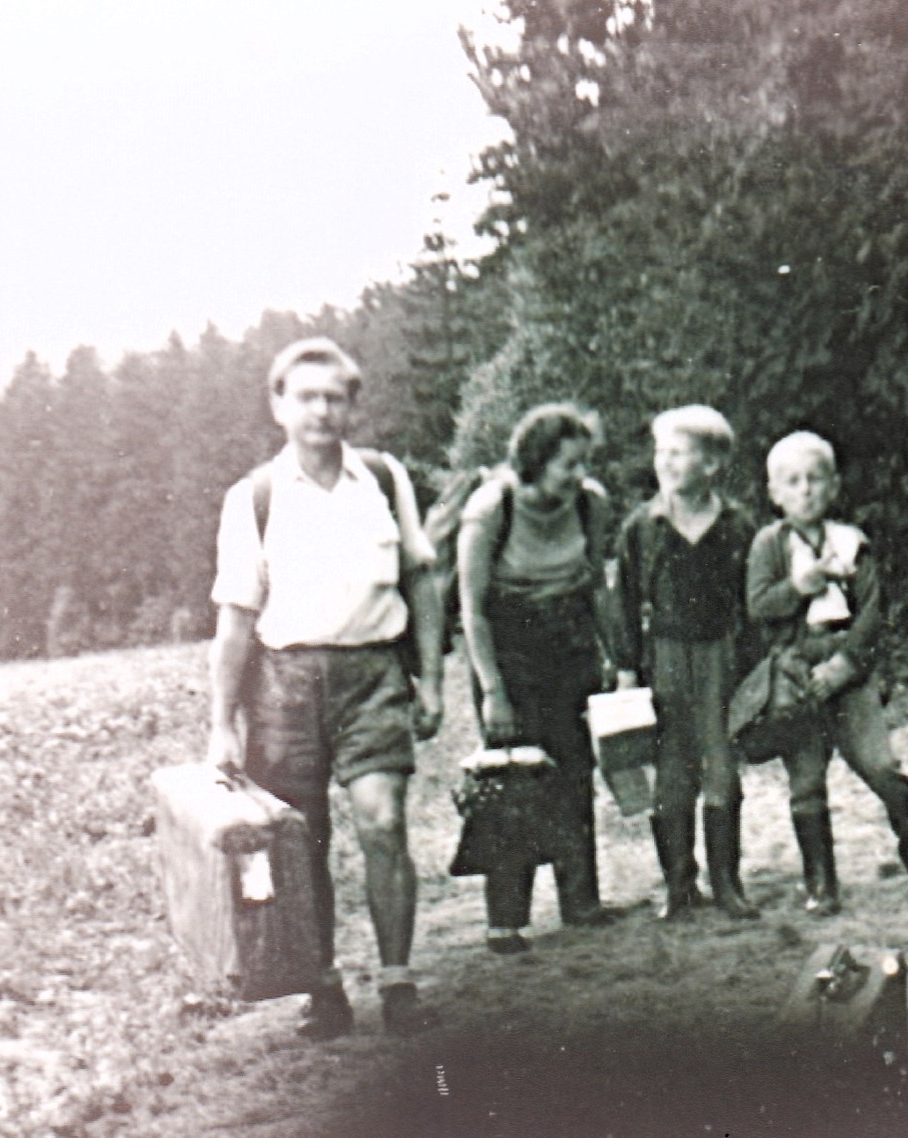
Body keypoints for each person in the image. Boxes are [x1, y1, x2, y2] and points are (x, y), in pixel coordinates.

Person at [207, 337, 444, 1040]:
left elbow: (422, 581)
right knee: (298, 844)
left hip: (373, 676)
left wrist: (432, 679)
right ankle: (324, 987)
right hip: (284, 687)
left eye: (335, 398)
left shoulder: (384, 479)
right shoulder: (253, 498)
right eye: (306, 397)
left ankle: (398, 982)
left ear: (352, 408)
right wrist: (221, 725)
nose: (321, 411)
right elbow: (234, 621)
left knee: (383, 820)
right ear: (278, 405)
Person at [746, 431, 908, 916]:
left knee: (880, 765)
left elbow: (872, 612)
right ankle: (821, 881)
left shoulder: (851, 542)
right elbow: (757, 605)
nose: (805, 490)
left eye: (815, 479)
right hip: (797, 672)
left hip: (847, 666)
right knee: (806, 778)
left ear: (834, 485)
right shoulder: (769, 544)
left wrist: (846, 664)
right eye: (792, 482)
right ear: (775, 493)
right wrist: (797, 587)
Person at [457, 402, 619, 954]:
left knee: (576, 773)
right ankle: (506, 919)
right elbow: (472, 609)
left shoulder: (592, 504)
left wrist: (617, 657)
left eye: (584, 462)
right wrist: (493, 691)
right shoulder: (491, 509)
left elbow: (596, 585)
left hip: (570, 647)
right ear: (534, 460)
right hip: (509, 652)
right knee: (514, 781)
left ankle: (582, 903)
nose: (579, 475)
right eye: (567, 464)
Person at [616, 405, 761, 921]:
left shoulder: (737, 525)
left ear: (711, 464)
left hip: (721, 655)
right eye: (661, 452)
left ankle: (727, 882)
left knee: (721, 765)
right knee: (673, 771)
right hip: (665, 660)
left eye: (679, 453)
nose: (665, 462)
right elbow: (624, 603)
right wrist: (627, 671)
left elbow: (752, 602)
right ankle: (679, 884)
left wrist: (752, 667)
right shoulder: (642, 527)